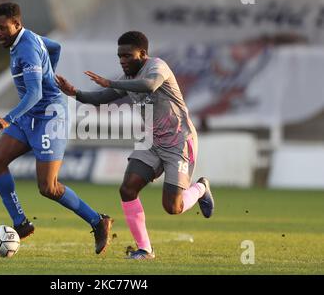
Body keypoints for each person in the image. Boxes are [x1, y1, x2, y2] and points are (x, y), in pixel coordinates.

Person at [56, 31, 214, 260]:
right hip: (151, 141)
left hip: (179, 141)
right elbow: (103, 97)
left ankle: (200, 188)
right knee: (127, 189)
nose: (123, 60)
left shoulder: (158, 67)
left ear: (143, 54)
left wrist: (110, 81)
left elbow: (149, 86)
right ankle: (145, 250)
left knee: (173, 207)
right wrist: (75, 93)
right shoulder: (128, 78)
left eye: (128, 56)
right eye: (120, 56)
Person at [0, 2, 113, 255]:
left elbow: (35, 92)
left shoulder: (27, 50)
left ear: (17, 24)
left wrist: (8, 118)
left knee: (49, 187)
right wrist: (50, 71)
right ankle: (20, 223)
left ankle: (98, 221)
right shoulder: (25, 38)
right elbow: (56, 47)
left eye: (2, 27)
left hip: (48, 117)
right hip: (29, 116)